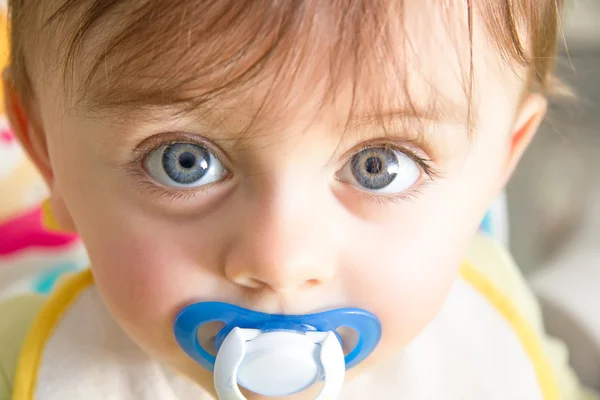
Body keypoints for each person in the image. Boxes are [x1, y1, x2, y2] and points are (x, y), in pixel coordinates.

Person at [0, 1, 595, 399]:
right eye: (183, 161)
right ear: (47, 153)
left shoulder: (489, 326)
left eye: (378, 166)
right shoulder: (27, 363)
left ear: (501, 162)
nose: (281, 261)